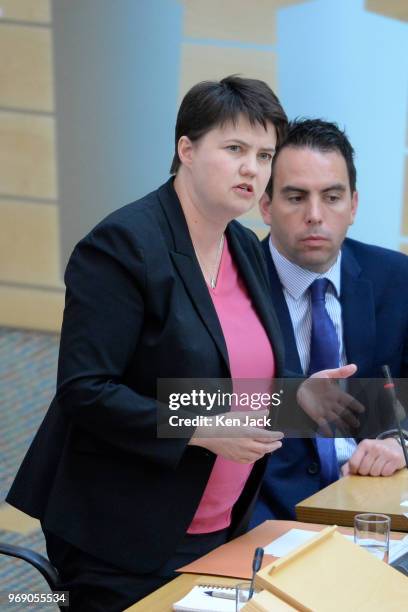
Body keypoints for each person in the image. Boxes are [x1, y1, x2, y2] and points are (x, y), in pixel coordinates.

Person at [7, 80, 355, 611]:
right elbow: (86, 390)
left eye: (264, 155)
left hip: (220, 523)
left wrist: (293, 399)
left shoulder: (241, 244)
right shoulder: (123, 245)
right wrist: (200, 430)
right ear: (186, 150)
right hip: (122, 534)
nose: (252, 169)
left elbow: (229, 385)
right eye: (234, 149)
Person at [251, 118, 408, 525]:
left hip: (376, 498)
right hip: (263, 511)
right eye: (296, 197)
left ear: (353, 205)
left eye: (332, 197)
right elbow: (188, 408)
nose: (315, 215)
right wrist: (292, 405)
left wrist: (402, 442)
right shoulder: (230, 284)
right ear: (266, 207)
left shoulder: (395, 278)